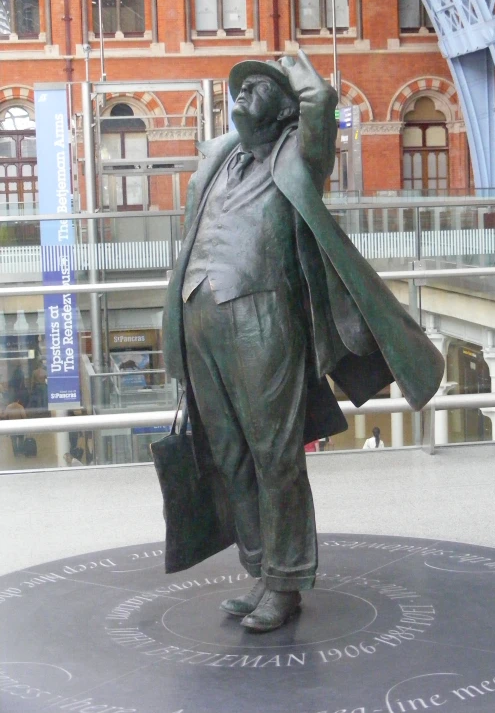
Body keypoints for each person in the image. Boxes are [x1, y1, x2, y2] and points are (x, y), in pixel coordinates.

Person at [162, 51, 444, 633]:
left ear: (285, 108)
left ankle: (286, 583)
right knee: (230, 455)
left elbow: (321, 105)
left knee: (274, 454)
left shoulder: (301, 152)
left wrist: (293, 74)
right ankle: (261, 569)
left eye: (257, 88)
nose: (241, 93)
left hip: (263, 315)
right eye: (238, 88)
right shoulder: (219, 155)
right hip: (199, 318)